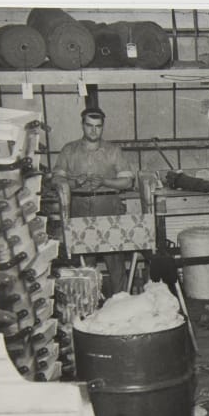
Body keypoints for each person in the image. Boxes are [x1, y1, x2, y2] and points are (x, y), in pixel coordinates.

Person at [52, 107, 135, 296]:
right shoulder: (69, 150)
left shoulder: (113, 151)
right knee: (84, 260)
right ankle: (87, 304)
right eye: (89, 125)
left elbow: (128, 182)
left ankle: (120, 302)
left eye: (98, 126)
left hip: (108, 206)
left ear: (102, 127)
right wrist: (74, 183)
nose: (94, 130)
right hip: (79, 207)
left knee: (115, 258)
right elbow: (55, 179)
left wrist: (105, 181)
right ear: (82, 125)